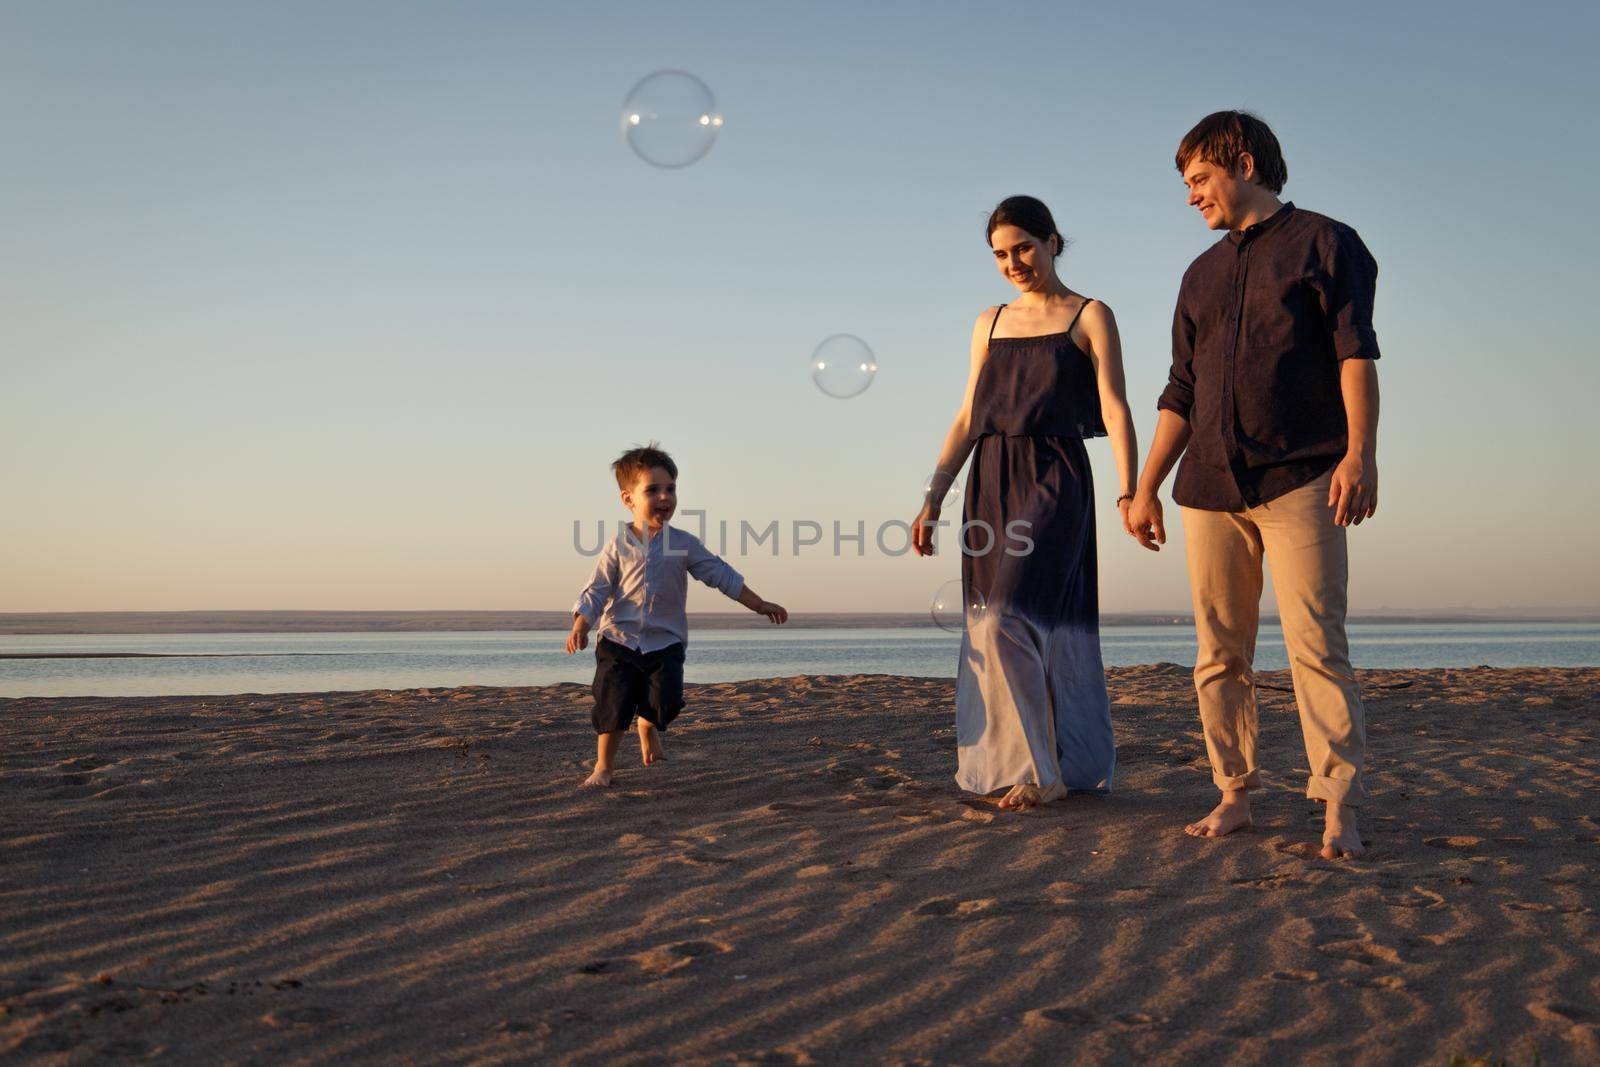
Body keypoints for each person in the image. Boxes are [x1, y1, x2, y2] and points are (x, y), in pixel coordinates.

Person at [1125, 111, 1380, 859]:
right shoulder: (1198, 274)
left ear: (1241, 162)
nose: (1190, 196)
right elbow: (1179, 392)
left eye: (1199, 178)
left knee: (1316, 647)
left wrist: (1359, 454)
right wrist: (1144, 489)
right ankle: (1233, 793)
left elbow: (1356, 355)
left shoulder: (1328, 243)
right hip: (1207, 486)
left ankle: (1338, 805)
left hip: (1304, 474)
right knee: (1218, 652)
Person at [913, 196, 1139, 810]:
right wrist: (932, 499)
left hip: (1056, 476)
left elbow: (1115, 406)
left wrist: (1131, 489)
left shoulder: (1090, 315)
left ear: (1053, 241)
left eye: (1024, 248)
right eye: (1000, 254)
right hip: (990, 478)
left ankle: (1044, 774)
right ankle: (1052, 766)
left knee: (1012, 609)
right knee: (996, 621)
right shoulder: (987, 322)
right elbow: (966, 417)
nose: (1013, 262)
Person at [566, 443, 788, 787]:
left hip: (665, 642)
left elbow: (721, 574)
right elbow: (596, 589)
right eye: (653, 490)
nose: (665, 497)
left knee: (665, 702)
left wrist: (759, 604)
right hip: (618, 640)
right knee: (613, 703)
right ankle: (604, 767)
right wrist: (581, 624)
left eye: (670, 489)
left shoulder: (683, 543)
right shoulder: (617, 544)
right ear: (628, 499)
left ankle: (648, 724)